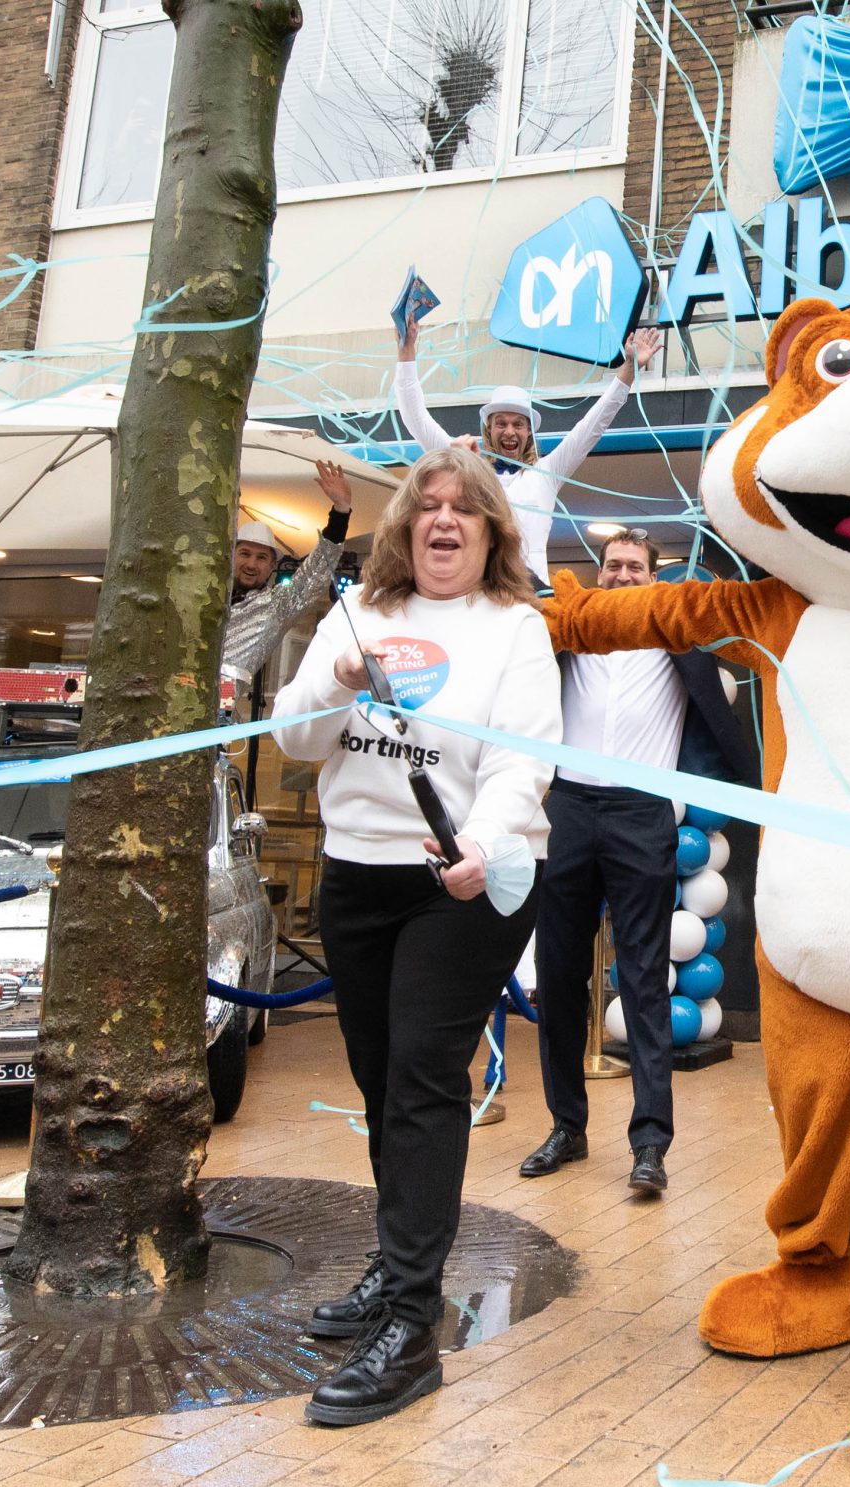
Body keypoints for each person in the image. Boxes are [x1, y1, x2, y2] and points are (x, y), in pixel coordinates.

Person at [272, 445, 561, 1426]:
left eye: (464, 511)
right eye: (427, 507)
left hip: (463, 883)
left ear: (490, 533)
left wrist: (481, 841)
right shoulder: (359, 614)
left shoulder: (517, 629)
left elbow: (525, 763)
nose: (443, 522)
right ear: (402, 526)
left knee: (422, 1081)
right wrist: (337, 681)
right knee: (378, 1082)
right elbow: (292, 740)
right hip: (356, 878)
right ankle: (397, 1266)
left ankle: (408, 1326)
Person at [523, 529, 760, 1199]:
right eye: (614, 565)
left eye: (635, 567)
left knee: (646, 980)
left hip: (641, 814)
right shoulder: (568, 634)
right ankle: (567, 1126)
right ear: (599, 574)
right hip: (565, 810)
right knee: (559, 976)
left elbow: (740, 661)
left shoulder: (679, 638)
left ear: (653, 578)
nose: (623, 575)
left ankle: (650, 1144)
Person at [394, 316, 661, 588]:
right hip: (479, 590)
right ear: (488, 430)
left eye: (518, 424)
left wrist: (628, 370)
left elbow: (593, 424)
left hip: (532, 595)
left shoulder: (547, 472)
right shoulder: (466, 469)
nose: (509, 431)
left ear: (529, 432)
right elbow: (415, 418)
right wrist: (407, 351)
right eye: (501, 423)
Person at [219, 459, 358, 702]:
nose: (252, 564)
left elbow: (317, 570)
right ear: (230, 556)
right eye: (245, 554)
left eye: (261, 557)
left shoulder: (277, 605)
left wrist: (341, 511)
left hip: (219, 705)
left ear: (272, 566)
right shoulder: (202, 591)